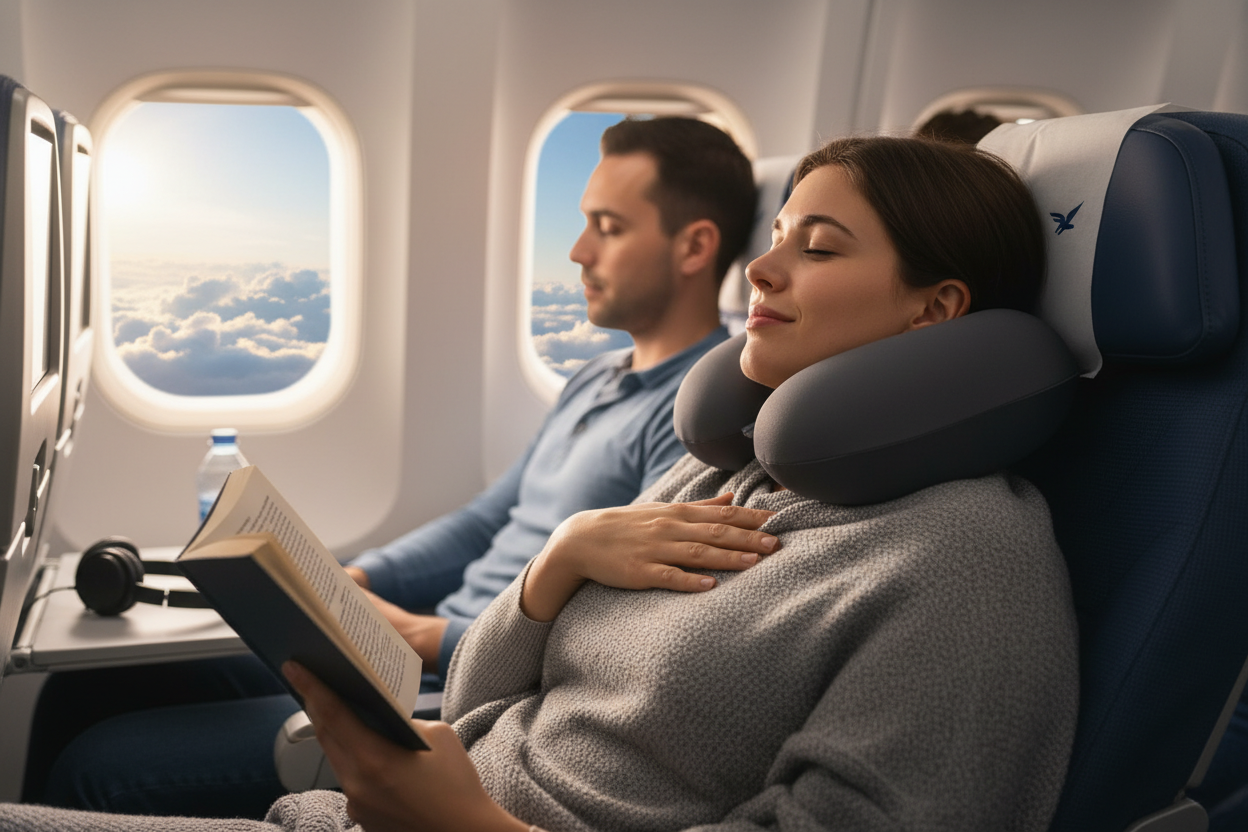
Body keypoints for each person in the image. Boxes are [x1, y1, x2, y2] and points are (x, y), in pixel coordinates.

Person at [2, 134, 1079, 832]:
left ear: (934, 312)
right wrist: (544, 572)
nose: (765, 266)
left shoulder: (967, 563)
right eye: (780, 233)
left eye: (821, 246)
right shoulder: (739, 460)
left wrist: (469, 818)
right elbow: (506, 693)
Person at [24, 115, 758, 819]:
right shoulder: (593, 379)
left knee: (102, 766)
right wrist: (357, 582)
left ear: (694, 248)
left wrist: (421, 635)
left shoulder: (699, 427)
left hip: (467, 698)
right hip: (410, 651)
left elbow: (618, 643)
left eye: (608, 228)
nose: (575, 251)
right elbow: (484, 523)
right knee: (85, 690)